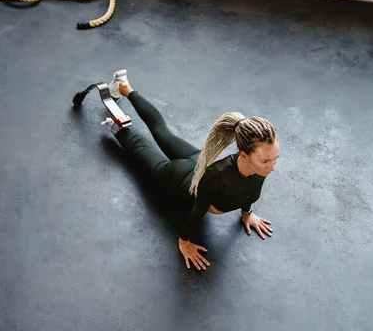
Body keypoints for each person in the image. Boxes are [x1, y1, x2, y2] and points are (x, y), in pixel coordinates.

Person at [104, 69, 279, 271]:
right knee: (141, 150)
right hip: (176, 176)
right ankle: (115, 126)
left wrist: (247, 214)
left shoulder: (259, 168)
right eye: (266, 161)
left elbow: (248, 189)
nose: (272, 167)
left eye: (275, 159)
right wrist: (184, 242)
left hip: (198, 160)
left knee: (162, 131)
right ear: (243, 155)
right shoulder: (218, 175)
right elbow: (197, 211)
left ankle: (125, 88)